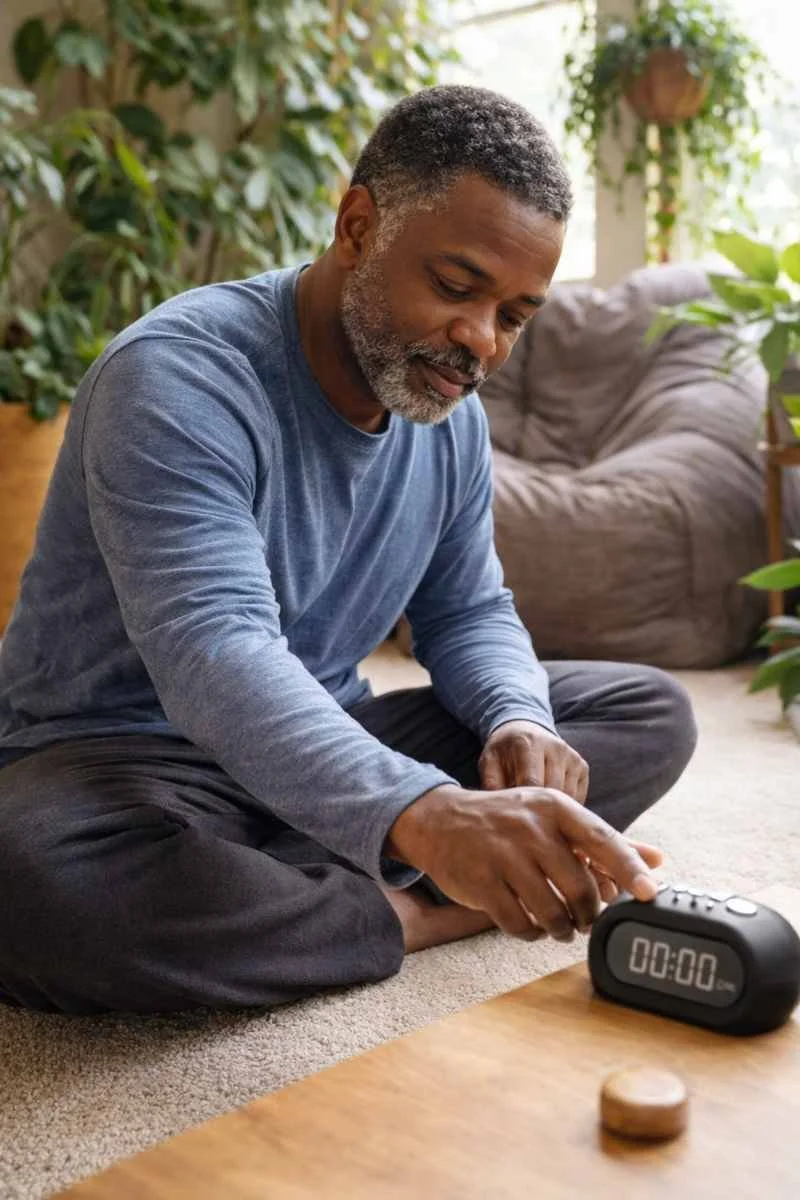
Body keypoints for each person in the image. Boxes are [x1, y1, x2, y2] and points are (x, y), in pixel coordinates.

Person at [0, 85, 696, 1015]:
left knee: (644, 709)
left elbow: (467, 609)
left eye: (514, 316)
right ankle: (411, 913)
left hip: (325, 741)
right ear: (358, 226)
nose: (479, 342)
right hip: (125, 762)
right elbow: (217, 654)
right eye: (456, 287)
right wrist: (424, 815)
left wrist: (518, 722)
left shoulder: (450, 419)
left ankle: (317, 880)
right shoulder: (176, 377)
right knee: (34, 881)